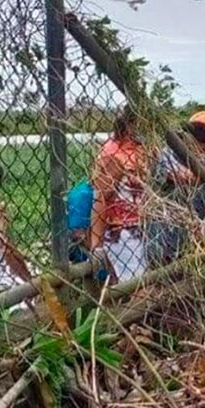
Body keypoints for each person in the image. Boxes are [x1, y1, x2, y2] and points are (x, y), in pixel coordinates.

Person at [90, 109, 148, 283]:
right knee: (135, 286)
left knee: (147, 283)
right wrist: (96, 244)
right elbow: (100, 198)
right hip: (122, 232)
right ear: (129, 127)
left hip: (144, 227)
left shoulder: (140, 149)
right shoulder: (112, 154)